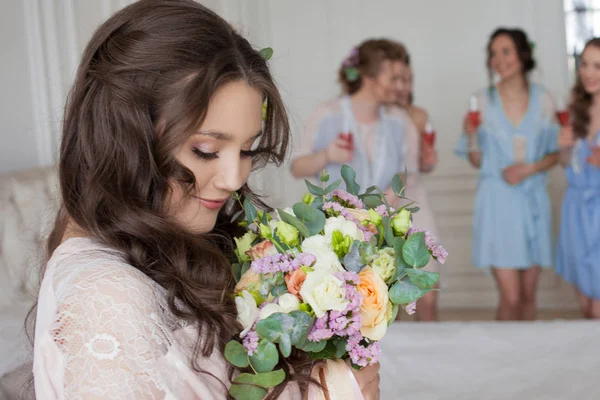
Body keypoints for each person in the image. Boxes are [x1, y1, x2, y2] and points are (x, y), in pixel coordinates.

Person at [30, 1, 380, 398]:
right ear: (124, 138)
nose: (234, 179)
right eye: (207, 150)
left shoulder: (152, 250)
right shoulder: (106, 296)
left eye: (248, 149)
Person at [454, 28, 560, 321]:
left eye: (506, 51)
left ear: (523, 55)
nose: (498, 60)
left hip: (533, 202)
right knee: (510, 296)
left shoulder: (546, 100)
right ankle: (505, 363)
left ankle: (527, 364)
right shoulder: (481, 101)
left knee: (528, 294)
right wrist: (471, 134)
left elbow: (557, 154)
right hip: (497, 204)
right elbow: (476, 160)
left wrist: (530, 168)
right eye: (493, 53)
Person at [290, 39, 415, 203]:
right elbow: (296, 168)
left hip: (382, 223)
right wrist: (326, 155)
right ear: (369, 78)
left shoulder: (398, 120)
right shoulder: (327, 114)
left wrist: (385, 202)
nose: (400, 86)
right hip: (336, 224)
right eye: (393, 79)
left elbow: (407, 171)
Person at [393, 49, 440, 321]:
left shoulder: (419, 115)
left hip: (416, 202)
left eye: (407, 79)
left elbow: (426, 163)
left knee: (428, 288)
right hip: (384, 204)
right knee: (389, 294)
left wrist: (429, 160)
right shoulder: (369, 118)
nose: (402, 86)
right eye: (396, 79)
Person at [555, 38, 600, 319]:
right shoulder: (575, 111)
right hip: (575, 212)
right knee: (585, 307)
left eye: (598, 65)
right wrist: (564, 147)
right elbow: (564, 164)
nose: (588, 72)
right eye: (584, 64)